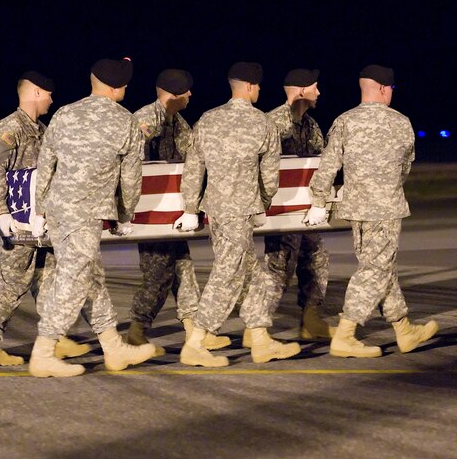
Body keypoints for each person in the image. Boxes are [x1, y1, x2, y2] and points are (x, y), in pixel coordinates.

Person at [28, 58, 157, 377]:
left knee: (91, 279)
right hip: (86, 213)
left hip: (58, 210)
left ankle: (113, 348)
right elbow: (131, 178)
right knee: (73, 281)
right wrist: (125, 215)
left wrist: (39, 210)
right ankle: (43, 353)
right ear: (116, 87)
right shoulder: (125, 121)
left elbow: (46, 165)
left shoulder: (64, 114)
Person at [306, 64, 438, 357]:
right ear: (382, 89)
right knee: (375, 269)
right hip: (385, 207)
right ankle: (345, 335)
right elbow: (404, 168)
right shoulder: (400, 122)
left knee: (380, 267)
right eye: (391, 88)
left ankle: (404, 330)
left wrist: (318, 201)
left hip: (357, 208)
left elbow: (328, 165)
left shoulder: (345, 121)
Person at [174, 62, 301, 366]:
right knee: (228, 275)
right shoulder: (262, 123)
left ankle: (260, 339)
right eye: (258, 86)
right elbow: (270, 176)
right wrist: (262, 204)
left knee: (249, 273)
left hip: (216, 210)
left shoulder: (208, 119)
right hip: (241, 210)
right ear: (250, 87)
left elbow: (194, 169)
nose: (259, 90)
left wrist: (190, 207)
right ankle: (196, 342)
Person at [0, 71, 90, 366]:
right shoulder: (10, 127)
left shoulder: (40, 129)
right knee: (14, 280)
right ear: (37, 92)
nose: (52, 100)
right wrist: (1, 212)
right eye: (49, 94)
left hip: (36, 218)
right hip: (14, 218)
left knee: (47, 276)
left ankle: (55, 337)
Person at [126, 69, 231, 354]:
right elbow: (129, 158)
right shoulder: (146, 119)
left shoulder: (178, 123)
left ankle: (193, 329)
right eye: (186, 90)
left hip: (171, 210)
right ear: (173, 93)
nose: (190, 94)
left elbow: (192, 156)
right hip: (150, 213)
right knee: (158, 273)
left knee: (184, 267)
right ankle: (136, 332)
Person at [251, 68, 334, 346]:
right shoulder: (271, 123)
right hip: (280, 210)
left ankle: (311, 319)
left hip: (304, 209)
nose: (318, 92)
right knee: (279, 267)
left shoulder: (310, 125)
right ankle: (256, 326)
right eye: (314, 87)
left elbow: (321, 160)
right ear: (300, 92)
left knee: (317, 258)